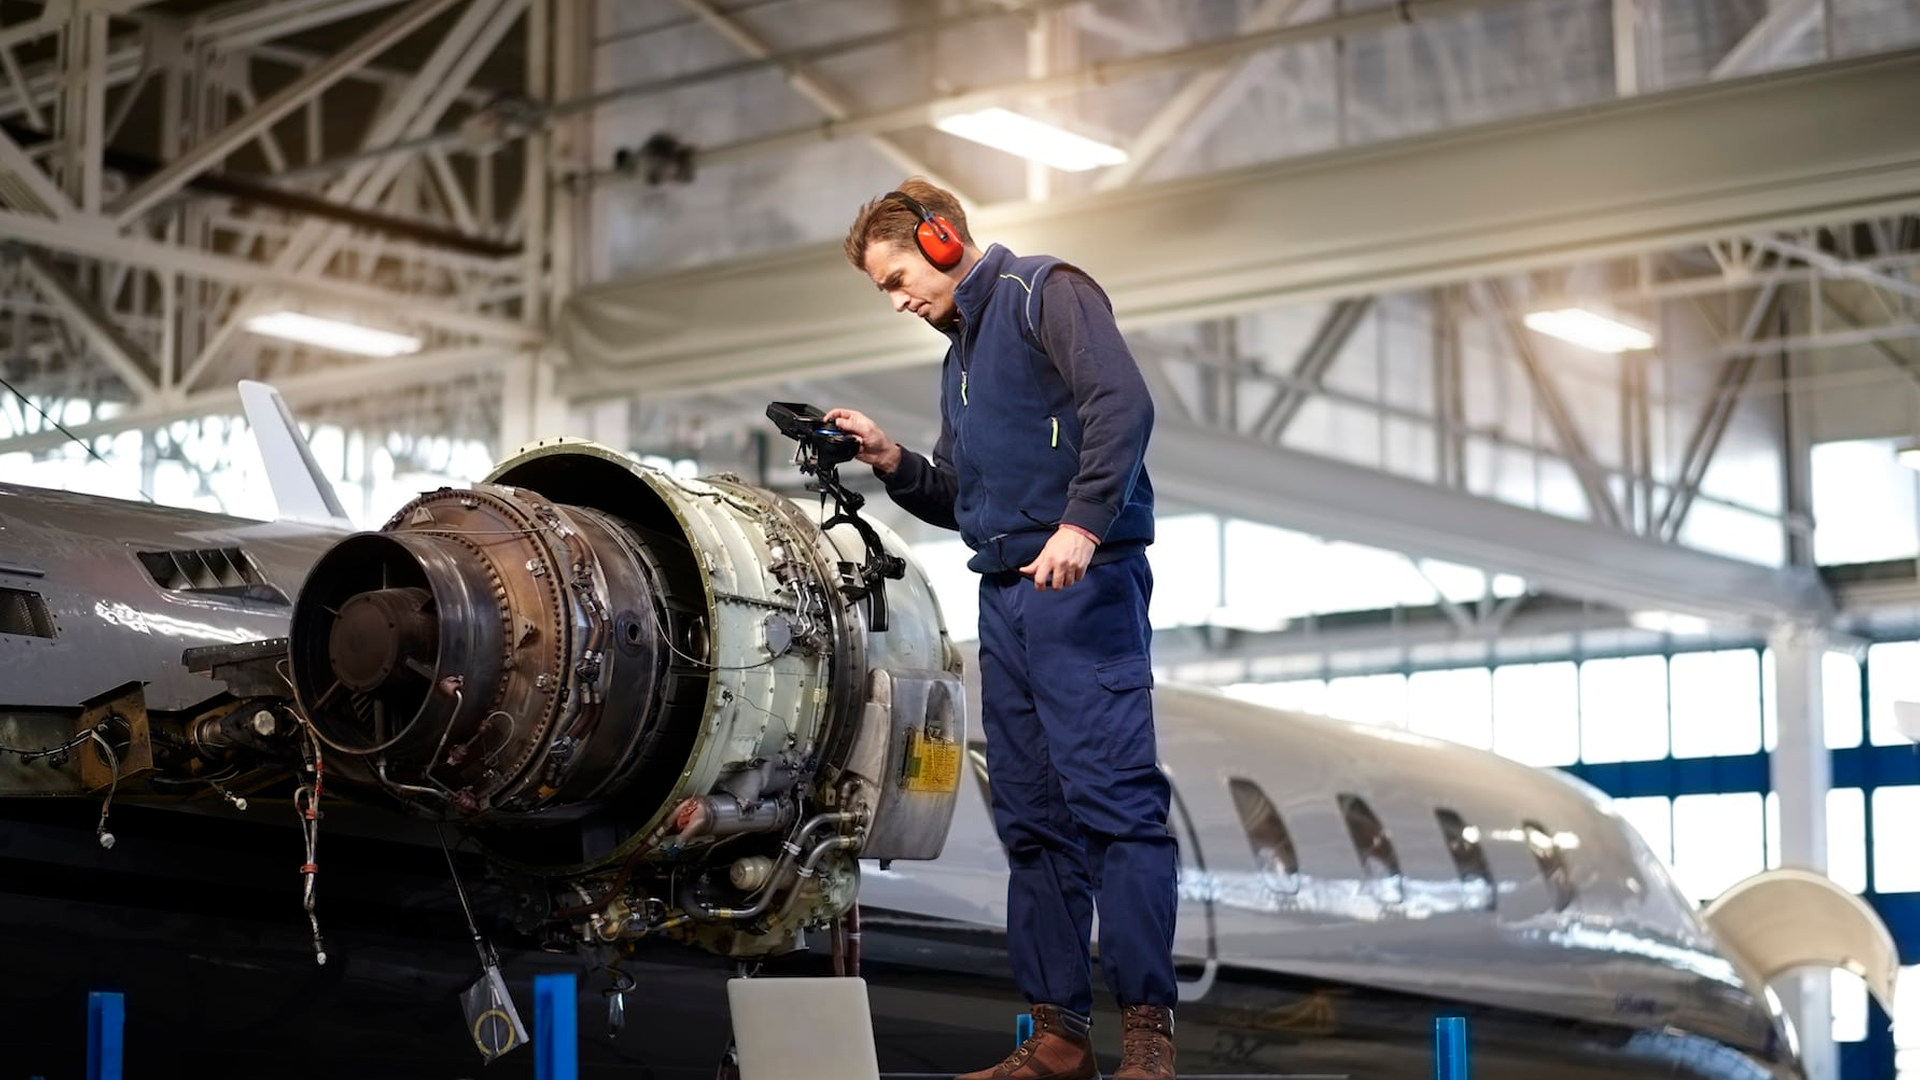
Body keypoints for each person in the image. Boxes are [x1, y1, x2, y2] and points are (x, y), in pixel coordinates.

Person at [827, 178, 1178, 1080]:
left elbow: (1123, 409)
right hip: (1009, 598)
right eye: (884, 291)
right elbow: (963, 497)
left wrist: (1084, 523)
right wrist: (892, 459)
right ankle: (1058, 1038)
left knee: (1115, 808)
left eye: (899, 275)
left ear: (942, 240)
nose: (899, 299)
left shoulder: (1046, 293)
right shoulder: (962, 359)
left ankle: (1147, 1038)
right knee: (1032, 819)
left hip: (1083, 585)